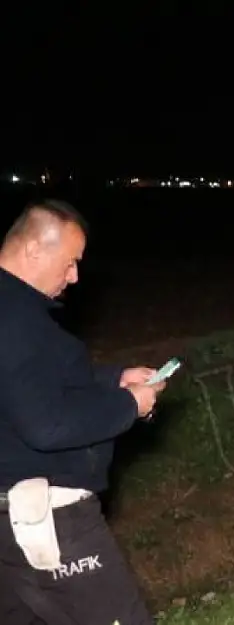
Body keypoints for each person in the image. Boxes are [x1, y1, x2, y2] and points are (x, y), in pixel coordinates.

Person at [0, 200, 168, 624]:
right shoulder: (14, 319)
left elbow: (33, 386)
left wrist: (114, 379)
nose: (75, 277)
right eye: (70, 262)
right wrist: (130, 403)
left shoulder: (14, 313)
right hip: (50, 521)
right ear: (35, 249)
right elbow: (47, 424)